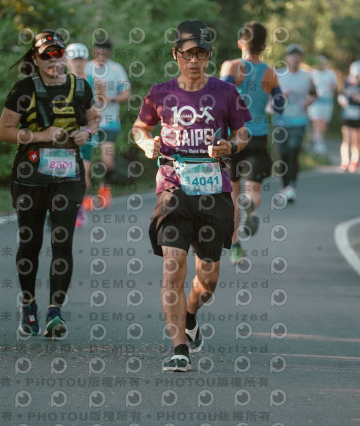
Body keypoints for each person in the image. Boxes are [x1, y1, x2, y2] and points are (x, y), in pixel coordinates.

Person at [132, 20, 250, 372]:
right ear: (176, 55)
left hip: (213, 190)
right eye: (188, 54)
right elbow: (139, 128)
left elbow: (243, 133)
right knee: (173, 267)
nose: (194, 61)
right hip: (173, 187)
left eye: (201, 54)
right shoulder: (160, 92)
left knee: (208, 278)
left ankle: (192, 313)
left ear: (209, 55)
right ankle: (179, 348)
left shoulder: (226, 92)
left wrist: (231, 145)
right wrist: (146, 144)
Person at [0, 30, 100, 339]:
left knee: (62, 240)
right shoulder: (24, 89)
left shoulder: (80, 87)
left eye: (58, 53)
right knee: (30, 243)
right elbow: (4, 131)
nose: (54, 60)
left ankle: (55, 311)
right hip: (30, 175)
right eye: (47, 55)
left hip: (68, 175)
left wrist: (87, 133)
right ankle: (28, 303)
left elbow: (94, 118)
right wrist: (41, 135)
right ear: (36, 59)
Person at [219, 21, 284, 264]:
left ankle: (236, 246)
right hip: (257, 137)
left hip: (232, 138)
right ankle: (251, 205)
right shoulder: (270, 73)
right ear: (264, 46)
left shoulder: (231, 66)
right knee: (252, 191)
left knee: (232, 196)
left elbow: (222, 95)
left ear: (240, 43)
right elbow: (280, 104)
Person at [84, 39, 131, 209]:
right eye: (98, 53)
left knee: (107, 161)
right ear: (93, 51)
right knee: (85, 162)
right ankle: (87, 196)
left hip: (109, 121)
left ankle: (105, 186)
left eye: (104, 54)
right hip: (88, 121)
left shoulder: (116, 69)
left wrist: (110, 99)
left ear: (109, 53)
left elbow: (126, 94)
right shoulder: (86, 67)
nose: (101, 56)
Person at [65, 42, 104, 227]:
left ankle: (79, 206)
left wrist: (91, 123)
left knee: (83, 173)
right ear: (67, 60)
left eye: (81, 59)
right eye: (74, 59)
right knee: (65, 173)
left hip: (86, 132)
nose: (78, 63)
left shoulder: (94, 81)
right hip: (65, 134)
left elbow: (100, 105)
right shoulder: (60, 81)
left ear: (86, 60)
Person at [273, 44, 317, 203]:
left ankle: (291, 187)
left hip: (299, 120)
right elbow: (270, 96)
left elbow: (314, 94)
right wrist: (281, 97)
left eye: (298, 55)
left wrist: (309, 101)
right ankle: (284, 186)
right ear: (287, 57)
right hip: (281, 120)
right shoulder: (278, 74)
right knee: (282, 154)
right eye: (292, 55)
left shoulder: (307, 76)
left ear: (301, 58)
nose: (295, 58)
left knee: (293, 151)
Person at [337, 61, 360, 173]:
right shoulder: (346, 84)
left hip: (358, 114)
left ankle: (354, 161)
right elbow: (340, 96)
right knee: (346, 137)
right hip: (347, 114)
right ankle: (345, 161)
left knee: (356, 138)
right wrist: (343, 102)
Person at [307, 55, 337, 155]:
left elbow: (334, 86)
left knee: (324, 123)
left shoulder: (331, 74)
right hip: (316, 101)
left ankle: (318, 139)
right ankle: (318, 144)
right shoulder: (312, 74)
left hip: (327, 102)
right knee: (317, 121)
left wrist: (332, 87)